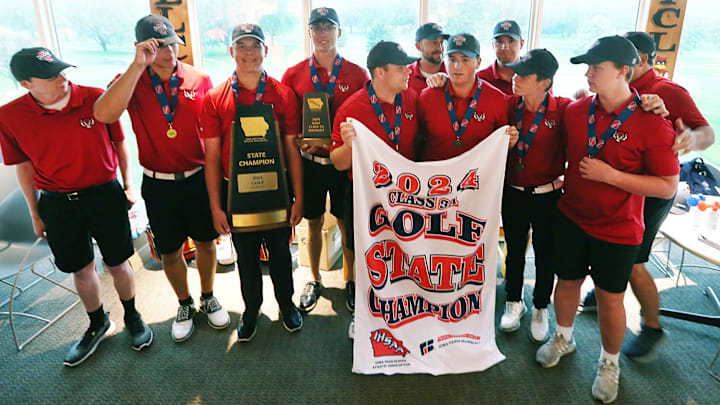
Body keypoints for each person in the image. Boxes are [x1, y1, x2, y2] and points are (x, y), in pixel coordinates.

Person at [536, 36, 679, 403]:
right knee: (566, 284)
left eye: (596, 68)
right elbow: (535, 106)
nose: (588, 74)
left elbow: (666, 186)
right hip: (572, 217)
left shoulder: (653, 122)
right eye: (587, 68)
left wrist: (611, 176)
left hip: (619, 228)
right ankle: (563, 338)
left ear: (623, 72)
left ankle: (608, 362)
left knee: (609, 298)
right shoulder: (575, 111)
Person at [0, 48, 153, 366]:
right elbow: (23, 165)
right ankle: (98, 322)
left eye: (60, 69)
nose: (61, 76)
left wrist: (128, 184)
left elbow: (119, 142)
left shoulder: (97, 98)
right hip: (57, 202)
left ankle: (132, 315)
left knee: (118, 262)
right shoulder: (10, 116)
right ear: (27, 84)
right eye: (50, 75)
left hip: (104, 196)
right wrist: (34, 211)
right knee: (81, 268)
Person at [579, 31, 715, 362]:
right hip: (615, 187)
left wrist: (689, 141)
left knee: (635, 261)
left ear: (637, 61)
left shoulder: (668, 91)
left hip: (651, 192)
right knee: (606, 248)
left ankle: (652, 327)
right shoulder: (610, 89)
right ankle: (605, 289)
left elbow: (706, 133)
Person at [93, 15, 230, 343]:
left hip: (198, 178)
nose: (169, 52)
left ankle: (208, 295)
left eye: (172, 44)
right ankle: (184, 303)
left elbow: (213, 131)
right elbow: (104, 114)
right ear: (142, 48)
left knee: (206, 242)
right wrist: (138, 66)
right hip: (158, 183)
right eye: (158, 47)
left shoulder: (199, 78)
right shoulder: (130, 80)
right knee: (169, 251)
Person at [200, 23, 304, 342]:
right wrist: (217, 207)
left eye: (254, 46)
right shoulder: (216, 98)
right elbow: (213, 158)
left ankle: (286, 305)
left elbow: (291, 148)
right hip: (238, 194)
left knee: (280, 254)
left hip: (275, 189)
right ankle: (251, 309)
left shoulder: (283, 94)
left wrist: (298, 196)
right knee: (245, 258)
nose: (248, 53)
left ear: (265, 50)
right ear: (231, 51)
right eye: (242, 46)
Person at [330, 40, 420, 339]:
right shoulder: (352, 108)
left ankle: (403, 309)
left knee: (403, 256)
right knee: (366, 258)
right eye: (401, 67)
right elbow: (338, 163)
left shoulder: (410, 100)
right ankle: (364, 314)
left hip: (403, 196)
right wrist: (347, 145)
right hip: (365, 198)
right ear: (379, 72)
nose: (409, 71)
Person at [281, 7, 369, 314]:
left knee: (347, 224)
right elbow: (290, 126)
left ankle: (352, 279)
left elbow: (366, 122)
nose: (322, 33)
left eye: (328, 27)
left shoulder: (358, 74)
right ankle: (314, 278)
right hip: (309, 164)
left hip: (344, 166)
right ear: (309, 33)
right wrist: (298, 140)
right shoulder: (293, 75)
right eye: (316, 28)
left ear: (339, 32)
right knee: (313, 221)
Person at [499, 49, 568, 343]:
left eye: (523, 75)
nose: (515, 78)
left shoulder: (565, 109)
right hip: (513, 193)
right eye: (515, 72)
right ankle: (514, 301)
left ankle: (541, 306)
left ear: (545, 82)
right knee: (514, 251)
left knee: (545, 254)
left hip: (548, 195)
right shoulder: (507, 106)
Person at [418, 32, 516, 162]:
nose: (457, 66)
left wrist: (509, 144)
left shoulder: (496, 99)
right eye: (452, 60)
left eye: (465, 59)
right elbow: (418, 139)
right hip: (435, 179)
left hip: (477, 178)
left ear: (478, 62)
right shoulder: (428, 96)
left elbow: (500, 147)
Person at [476, 20, 525, 95]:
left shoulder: (535, 77)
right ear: (493, 45)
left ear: (521, 44)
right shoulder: (480, 80)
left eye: (511, 41)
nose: (505, 47)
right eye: (500, 42)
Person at [408, 22, 449, 95]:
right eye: (434, 42)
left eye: (442, 42)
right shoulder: (406, 77)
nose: (440, 48)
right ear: (418, 46)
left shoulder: (452, 75)